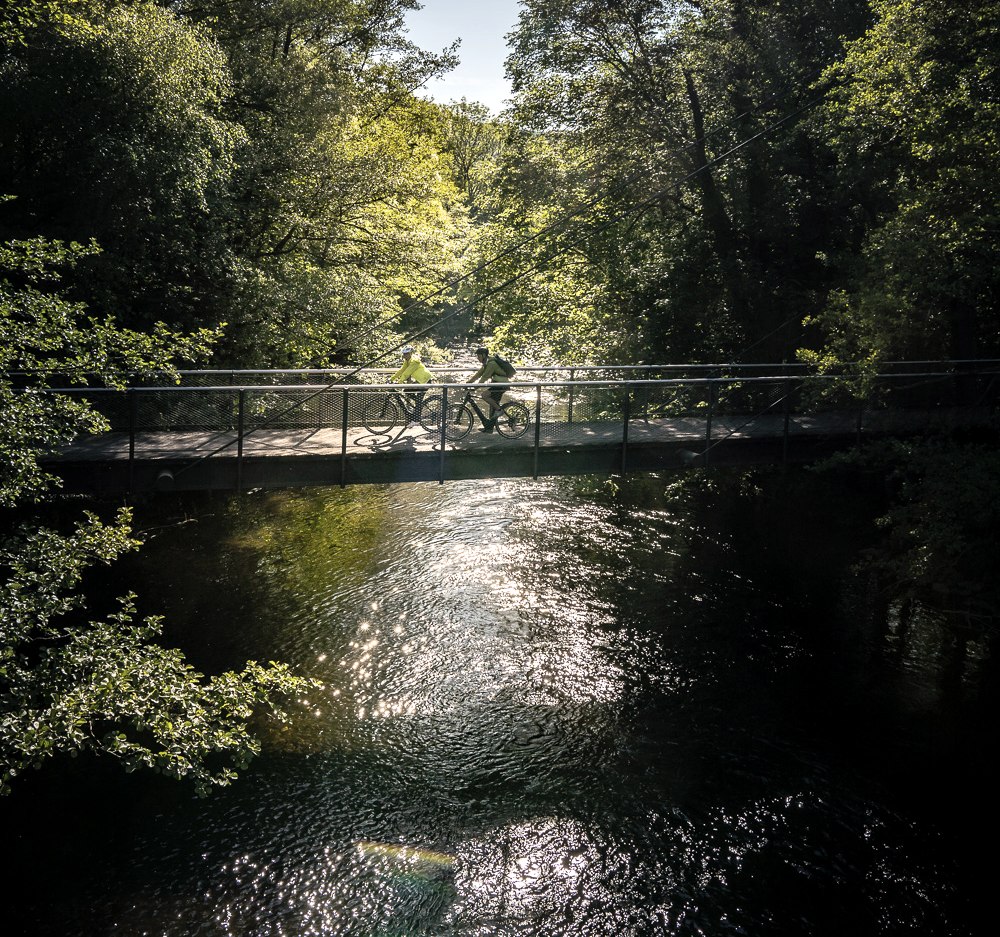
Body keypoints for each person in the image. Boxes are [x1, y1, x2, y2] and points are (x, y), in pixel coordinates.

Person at [467, 345, 510, 433]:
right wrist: (467, 383)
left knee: (484, 395)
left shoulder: (491, 364)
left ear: (483, 355)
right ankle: (489, 428)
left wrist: (474, 388)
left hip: (501, 385)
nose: (477, 358)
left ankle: (500, 410)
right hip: (497, 384)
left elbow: (484, 378)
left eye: (478, 356)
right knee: (492, 407)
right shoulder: (487, 363)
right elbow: (478, 374)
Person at [389, 345, 434, 416]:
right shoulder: (407, 361)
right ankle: (419, 405)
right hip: (420, 381)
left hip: (425, 380)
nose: (405, 356)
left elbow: (407, 373)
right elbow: (402, 370)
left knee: (418, 399)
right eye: (404, 354)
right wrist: (391, 378)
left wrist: (399, 382)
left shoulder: (414, 361)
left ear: (410, 353)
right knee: (407, 391)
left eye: (407, 354)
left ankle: (416, 420)